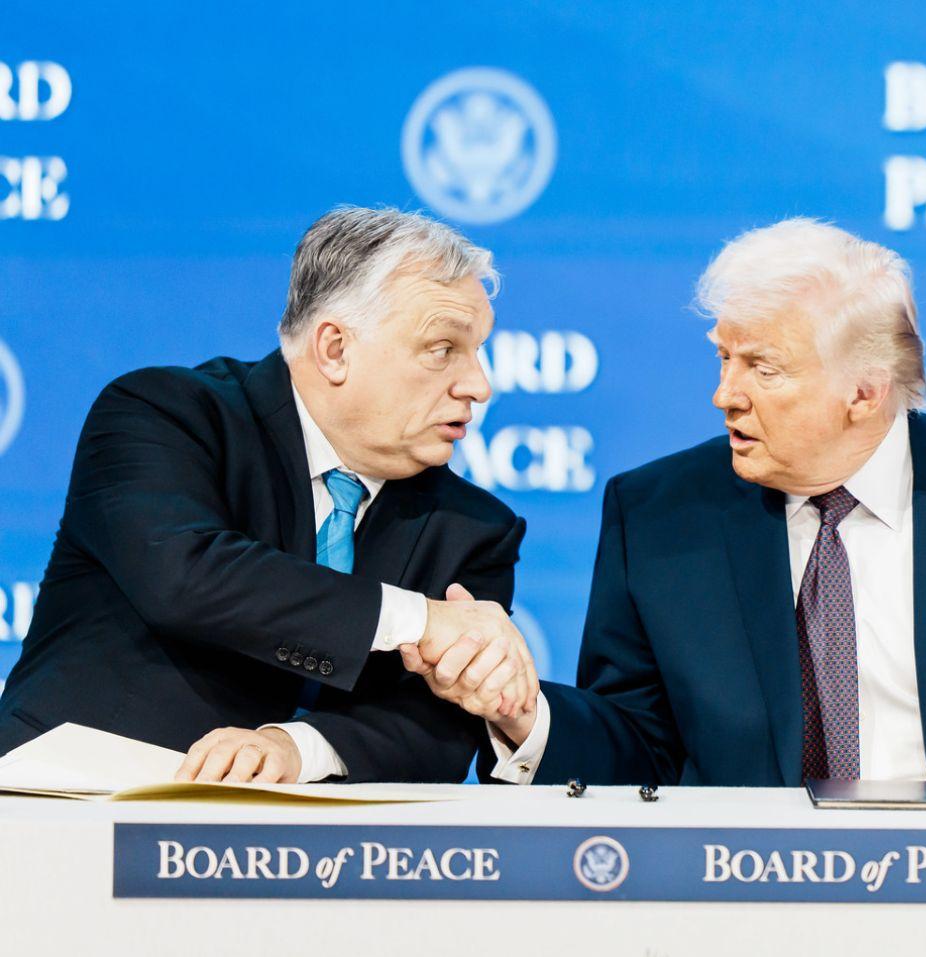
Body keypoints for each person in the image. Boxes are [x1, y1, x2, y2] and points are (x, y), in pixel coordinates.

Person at [410, 217, 926, 789]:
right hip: (745, 910)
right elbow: (636, 754)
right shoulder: (657, 517)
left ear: (865, 390)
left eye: (763, 368)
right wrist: (523, 714)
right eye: (723, 358)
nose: (724, 395)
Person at [0, 206, 536, 785]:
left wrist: (295, 749)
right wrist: (420, 620)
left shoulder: (475, 527)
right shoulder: (163, 415)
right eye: (443, 348)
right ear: (335, 349)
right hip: (73, 804)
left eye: (478, 350)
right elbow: (187, 576)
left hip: (315, 838)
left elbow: (436, 726)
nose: (479, 385)